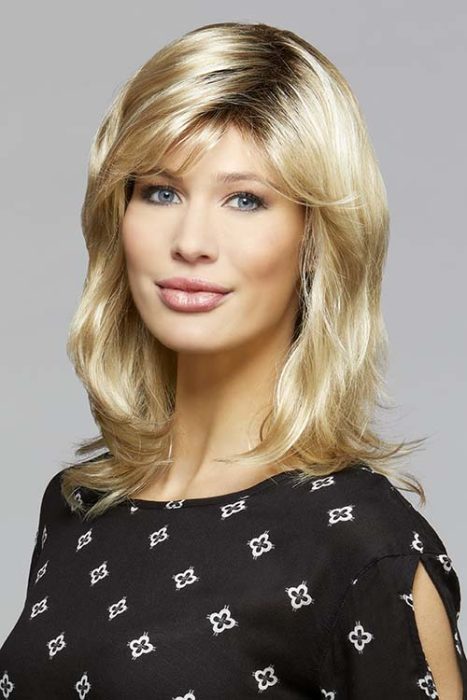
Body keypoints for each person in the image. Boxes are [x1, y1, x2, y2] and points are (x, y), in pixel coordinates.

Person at [0, 20, 465, 699]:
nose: (191, 240)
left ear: (316, 238)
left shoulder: (364, 550)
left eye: (245, 200)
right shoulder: (79, 506)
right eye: (160, 191)